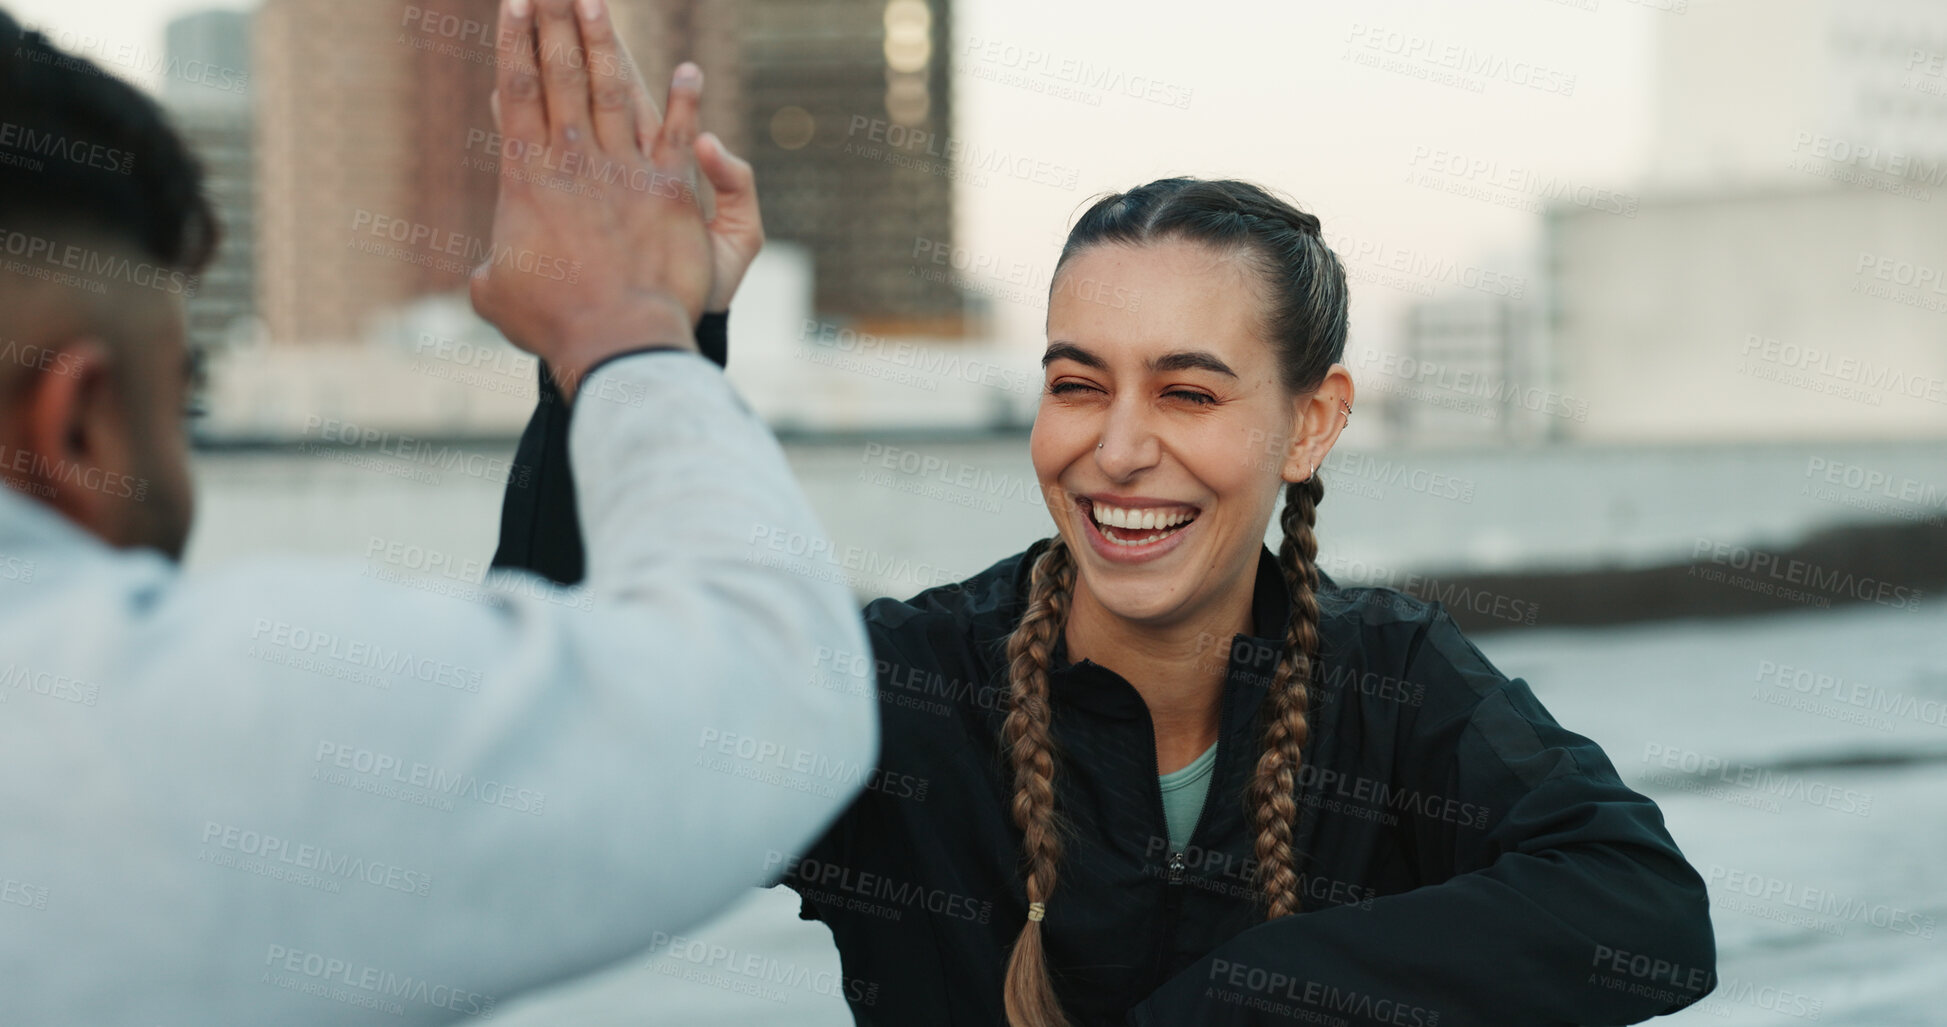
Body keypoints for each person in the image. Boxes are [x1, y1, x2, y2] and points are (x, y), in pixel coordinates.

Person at [0, 1, 876, 1023]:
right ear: (76, 428)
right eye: (180, 399)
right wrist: (626, 324)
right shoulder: (137, 730)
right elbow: (767, 694)